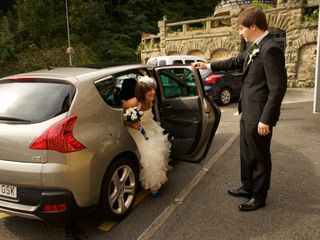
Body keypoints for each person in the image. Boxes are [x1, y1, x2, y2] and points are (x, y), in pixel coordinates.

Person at [193, 7, 287, 211]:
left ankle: (259, 196)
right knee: (246, 151)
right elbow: (236, 61)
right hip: (247, 109)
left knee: (260, 155)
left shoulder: (270, 48)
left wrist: (266, 119)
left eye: (241, 28)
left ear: (253, 26)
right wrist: (209, 65)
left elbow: (278, 88)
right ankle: (247, 186)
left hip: (260, 114)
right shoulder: (254, 45)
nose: (240, 32)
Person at [123, 76, 171, 198]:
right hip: (138, 131)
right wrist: (133, 125)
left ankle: (158, 180)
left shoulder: (151, 99)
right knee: (151, 156)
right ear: (141, 92)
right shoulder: (132, 103)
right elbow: (123, 120)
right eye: (149, 90)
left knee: (161, 152)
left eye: (153, 89)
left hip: (150, 127)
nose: (153, 92)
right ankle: (154, 188)